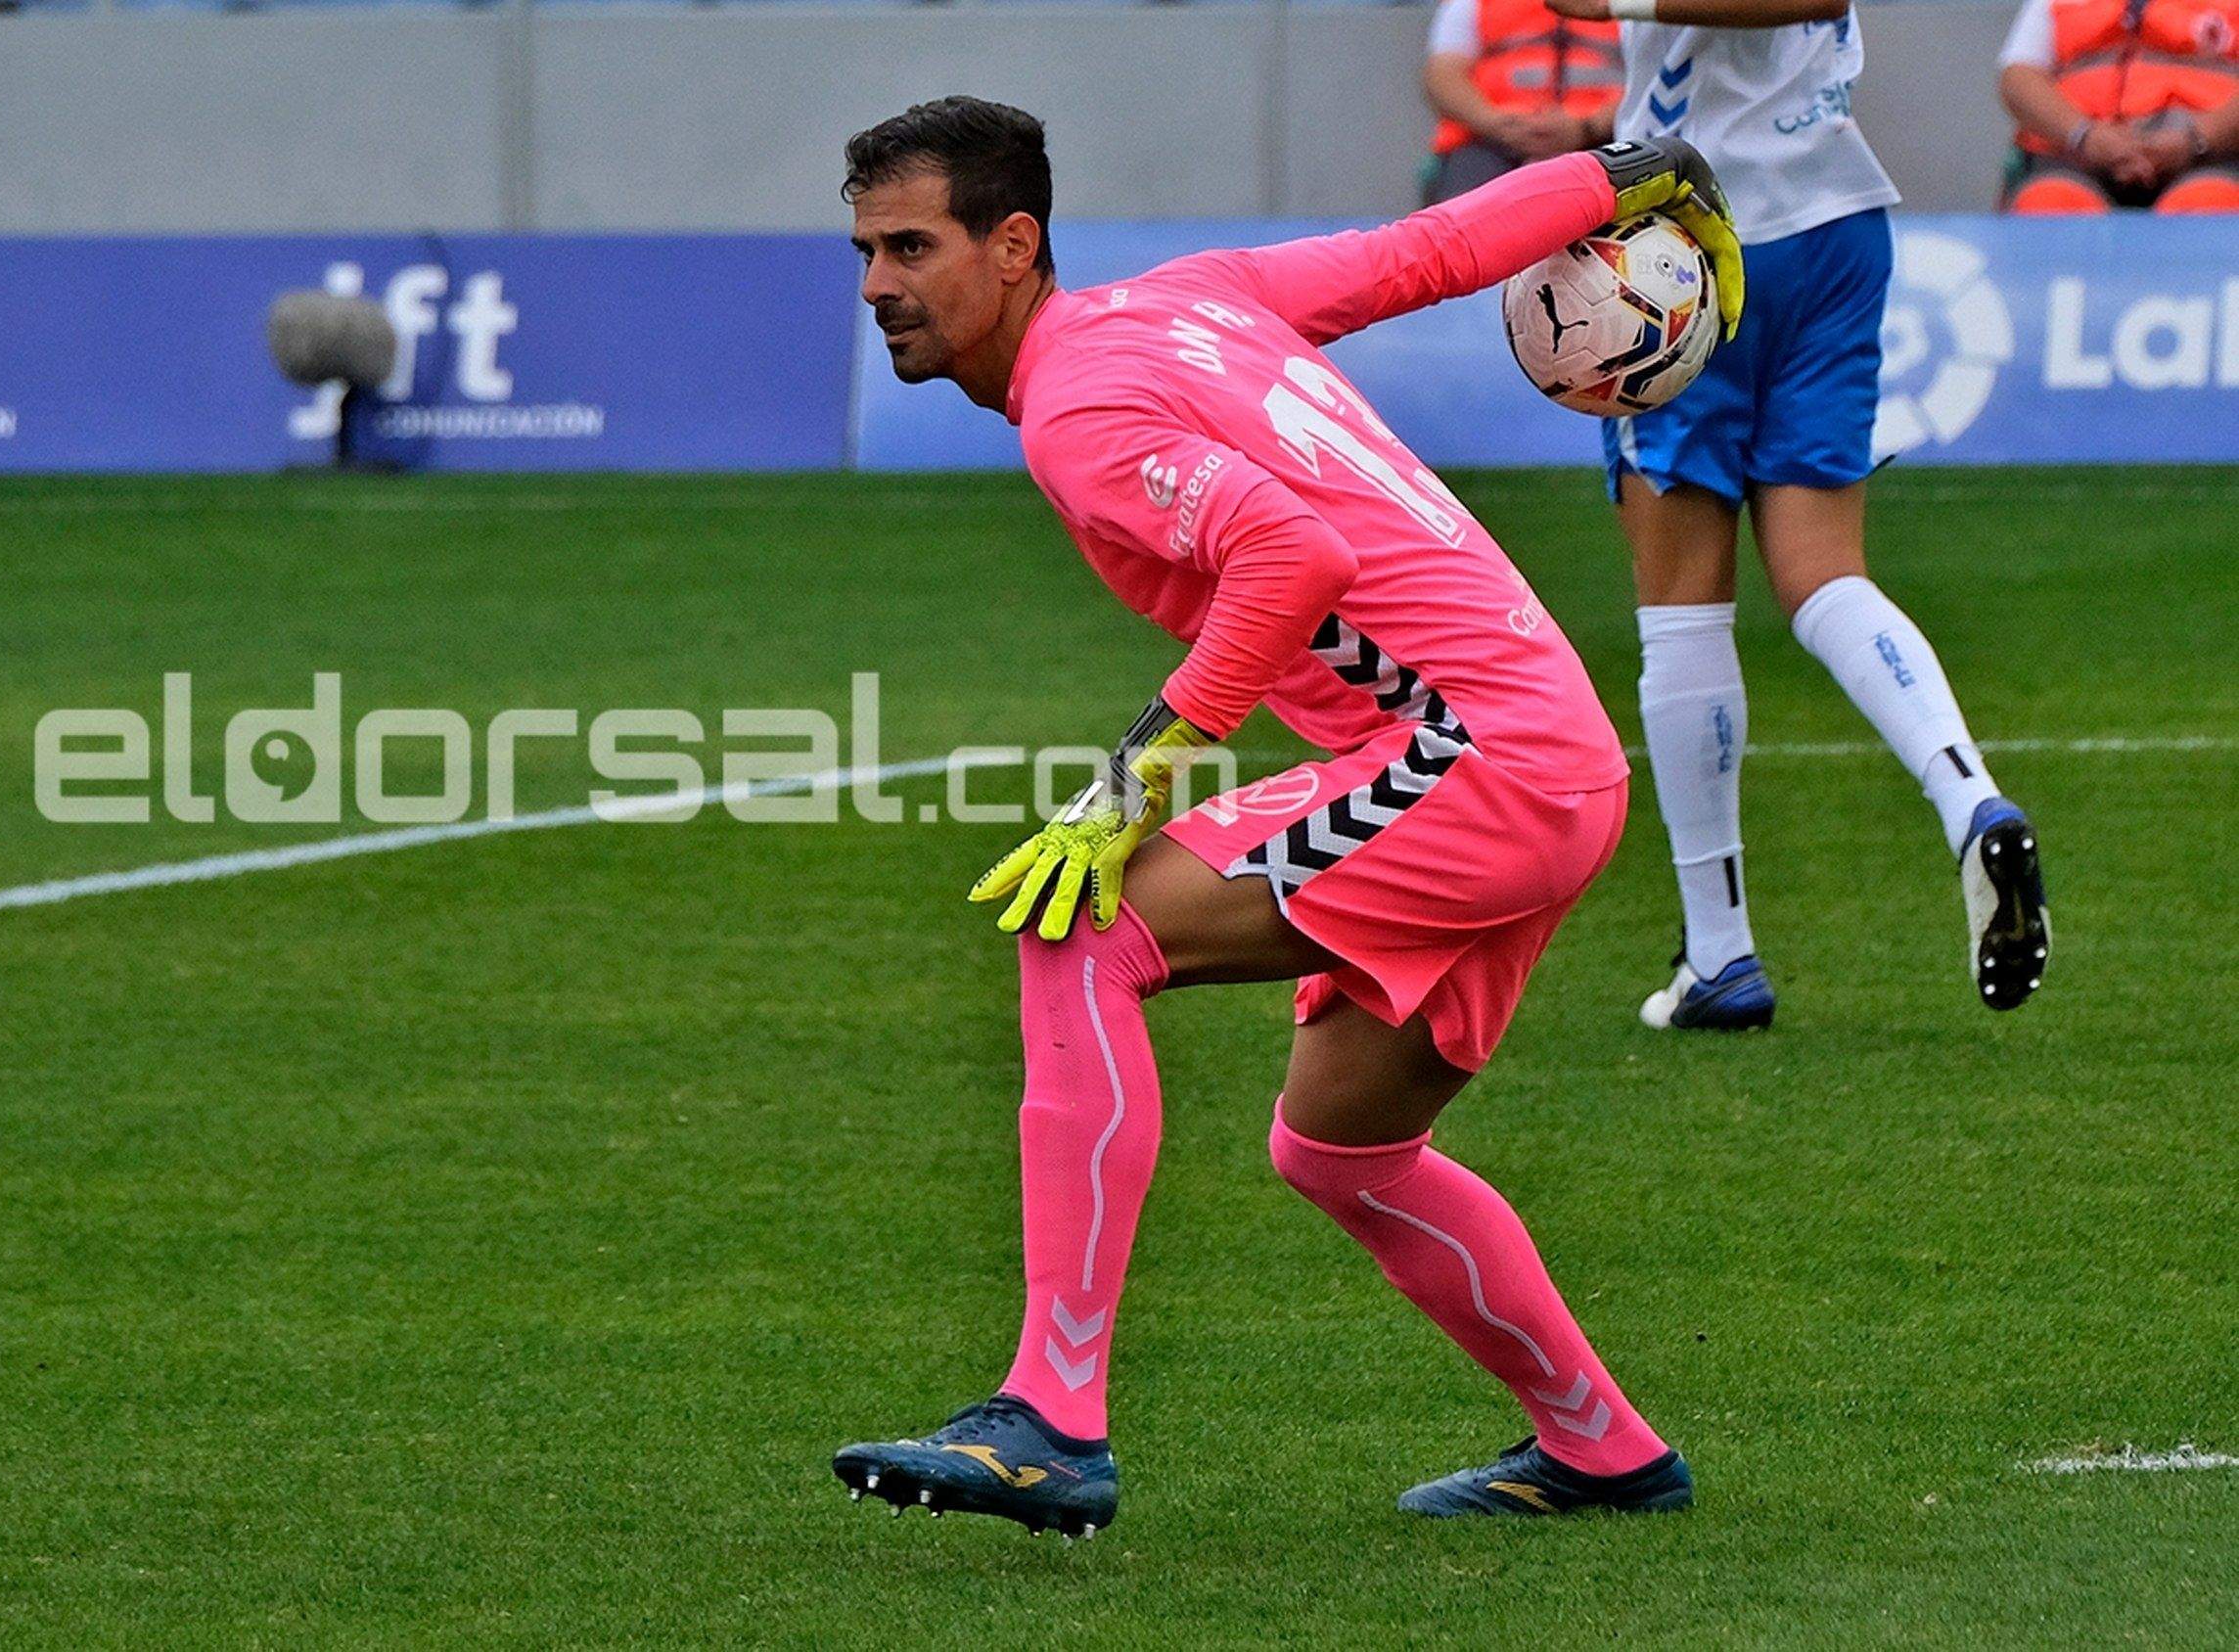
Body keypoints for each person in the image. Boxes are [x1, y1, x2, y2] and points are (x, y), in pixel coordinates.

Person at [829, 97, 1747, 1531]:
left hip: (1473, 760)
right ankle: (1604, 1449)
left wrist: (1127, 786)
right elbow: (1419, 254)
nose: (879, 283)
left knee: (1085, 929)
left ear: (1014, 247)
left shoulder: (1078, 405)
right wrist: (1624, 177)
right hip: (1546, 757)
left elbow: (1290, 554)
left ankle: (1050, 1415)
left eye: (910, 245)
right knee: (1342, 1148)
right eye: (867, 249)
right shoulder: (1192, 300)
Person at [1545, 0, 2050, 1029]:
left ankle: (1722, 954)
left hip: (1685, 235)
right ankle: (1968, 799)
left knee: (1682, 608)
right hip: (1831, 224)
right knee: (1824, 571)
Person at [1996, 0, 2239, 213]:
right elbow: (2018, 78)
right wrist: (2085, 136)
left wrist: (2195, 140)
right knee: (2050, 204)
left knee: (2211, 204)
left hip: (2211, 155)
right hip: (2076, 153)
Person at [1423, 0, 1625, 203]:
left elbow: (1651, 79)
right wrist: (1497, 124)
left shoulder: (1636, 5)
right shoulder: (1473, 4)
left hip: (1608, 138)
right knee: (1460, 210)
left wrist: (1589, 127)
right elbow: (1443, 75)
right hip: (1490, 141)